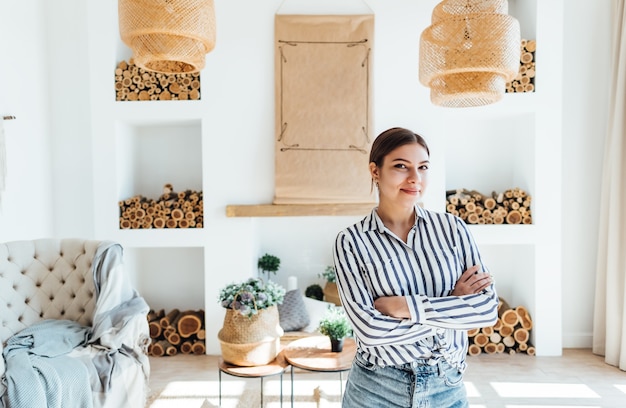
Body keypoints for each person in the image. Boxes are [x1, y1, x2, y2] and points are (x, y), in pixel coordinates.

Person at [333, 127, 498, 408]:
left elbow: (486, 310)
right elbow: (370, 332)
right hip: (376, 389)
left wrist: (404, 307)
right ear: (375, 171)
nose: (415, 178)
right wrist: (453, 304)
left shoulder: (453, 229)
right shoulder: (351, 241)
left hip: (446, 385)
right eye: (401, 166)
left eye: (423, 167)